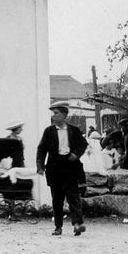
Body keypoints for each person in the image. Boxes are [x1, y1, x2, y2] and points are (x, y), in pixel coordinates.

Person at [36, 101, 89, 237]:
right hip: (54, 168)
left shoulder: (74, 130)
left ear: (64, 115)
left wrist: (76, 154)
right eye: (53, 113)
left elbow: (83, 144)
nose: (53, 116)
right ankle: (58, 227)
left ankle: (77, 224)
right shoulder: (49, 131)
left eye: (56, 113)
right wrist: (40, 166)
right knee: (57, 199)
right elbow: (41, 149)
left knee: (73, 197)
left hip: (70, 167)